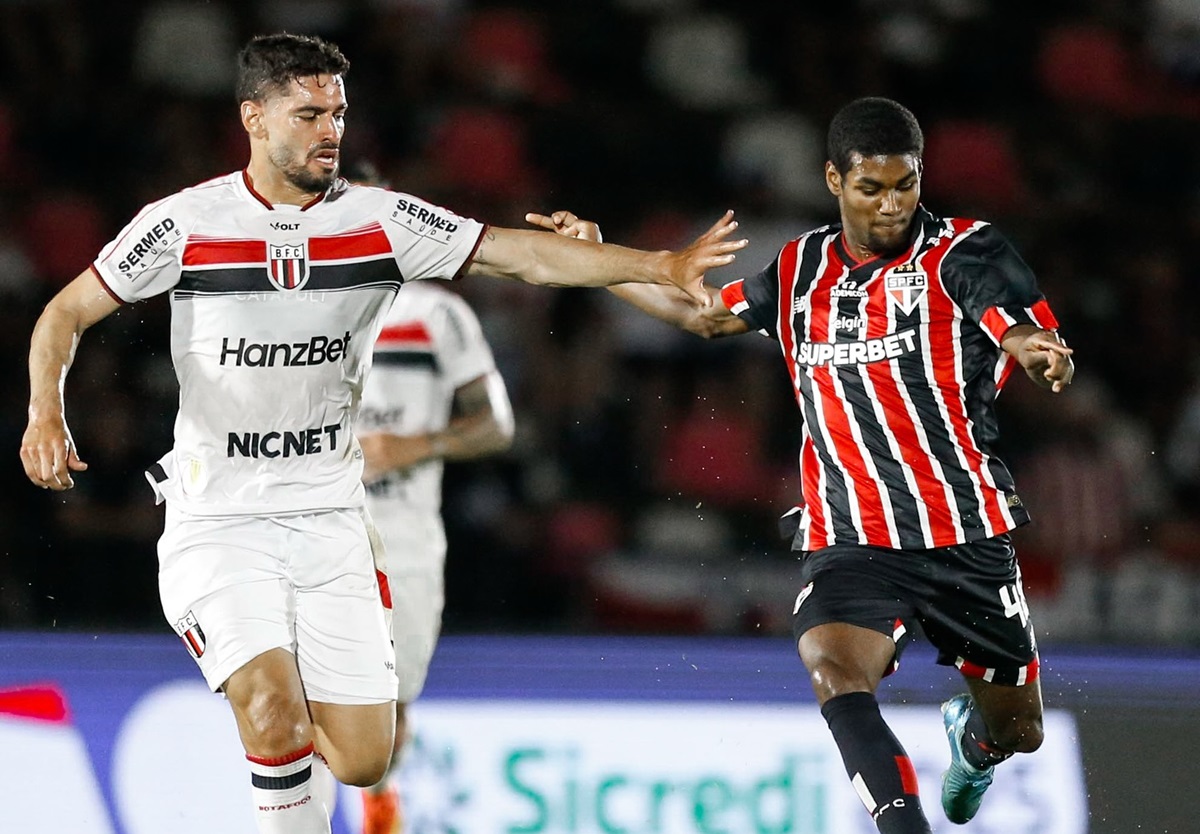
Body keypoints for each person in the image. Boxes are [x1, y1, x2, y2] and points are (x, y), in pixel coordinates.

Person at [19, 33, 745, 834]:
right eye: (309, 114)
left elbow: (519, 257)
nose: (331, 130)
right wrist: (44, 411)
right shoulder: (182, 224)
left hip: (332, 520)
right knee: (271, 708)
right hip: (217, 515)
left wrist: (657, 266)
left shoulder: (381, 223)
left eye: (338, 113)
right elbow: (65, 312)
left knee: (367, 757)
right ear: (254, 119)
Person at [531, 97, 1074, 833]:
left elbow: (1016, 326)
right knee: (833, 668)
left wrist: (1037, 353)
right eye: (870, 189)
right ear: (832, 179)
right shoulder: (800, 266)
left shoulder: (964, 253)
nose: (890, 207)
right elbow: (705, 315)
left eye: (905, 186)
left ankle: (972, 746)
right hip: (851, 533)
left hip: (964, 532)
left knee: (1018, 732)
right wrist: (598, 261)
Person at [355, 281, 514, 833]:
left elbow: (497, 424)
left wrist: (409, 446)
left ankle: (378, 803)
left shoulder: (436, 313)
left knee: (388, 716)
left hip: (403, 533)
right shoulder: (295, 293)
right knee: (298, 699)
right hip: (312, 524)